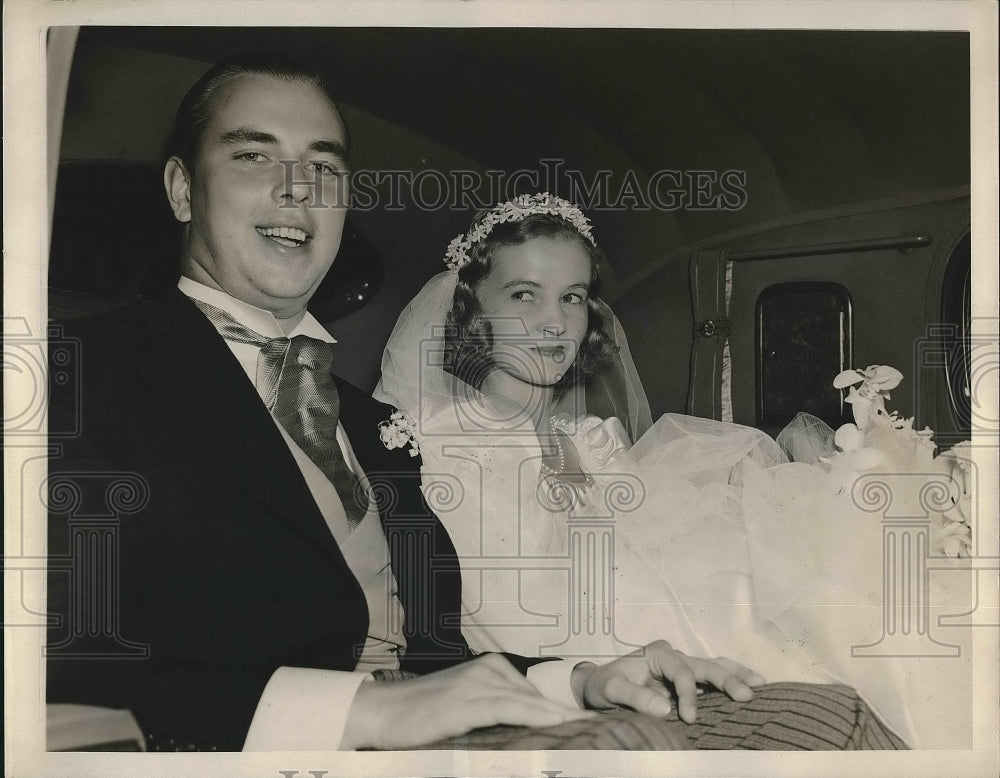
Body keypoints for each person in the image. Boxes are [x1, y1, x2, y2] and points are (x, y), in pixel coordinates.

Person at [44, 53, 840, 754]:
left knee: (818, 712)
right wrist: (361, 713)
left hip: (442, 736)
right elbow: (51, 654)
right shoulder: (75, 374)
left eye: (325, 166)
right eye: (254, 155)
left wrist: (585, 679)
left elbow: (433, 659)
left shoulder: (368, 426)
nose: (298, 187)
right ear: (184, 189)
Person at [376, 193, 974, 748]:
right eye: (524, 295)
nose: (554, 323)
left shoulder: (587, 438)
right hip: (570, 645)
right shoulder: (432, 441)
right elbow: (491, 612)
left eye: (573, 296)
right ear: (473, 308)